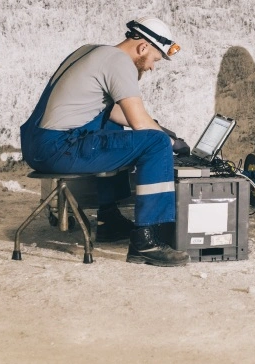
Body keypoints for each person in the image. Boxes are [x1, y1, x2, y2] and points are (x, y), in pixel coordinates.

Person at [20, 17, 189, 267]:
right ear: (143, 48)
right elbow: (141, 124)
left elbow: (112, 113)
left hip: (38, 143)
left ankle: (109, 219)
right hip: (59, 147)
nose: (152, 67)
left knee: (117, 127)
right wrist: (172, 142)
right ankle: (147, 242)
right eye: (155, 59)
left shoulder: (93, 51)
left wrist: (161, 128)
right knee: (156, 144)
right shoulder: (120, 63)